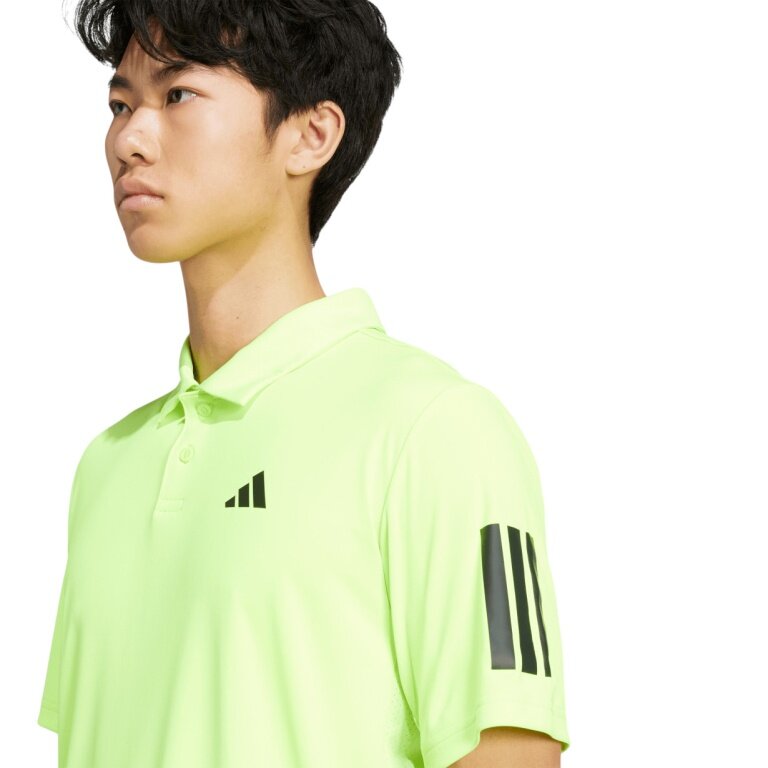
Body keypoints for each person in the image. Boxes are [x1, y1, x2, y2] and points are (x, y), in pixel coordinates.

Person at [37, 2, 570, 766]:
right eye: (121, 105)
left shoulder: (436, 429)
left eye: (177, 95)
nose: (130, 139)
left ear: (311, 134)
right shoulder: (107, 465)